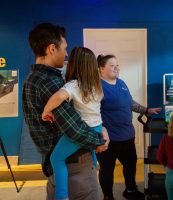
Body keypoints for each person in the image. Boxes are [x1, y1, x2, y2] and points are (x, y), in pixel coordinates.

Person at [23, 23, 105, 200]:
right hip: (74, 166)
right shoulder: (49, 83)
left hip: (59, 165)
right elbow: (74, 128)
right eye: (64, 48)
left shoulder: (33, 79)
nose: (66, 54)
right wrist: (100, 139)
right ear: (52, 48)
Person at [41, 47, 109, 200]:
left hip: (84, 129)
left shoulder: (74, 85)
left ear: (74, 64)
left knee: (56, 158)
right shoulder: (97, 85)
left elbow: (58, 97)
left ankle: (61, 195)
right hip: (97, 127)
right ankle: (93, 165)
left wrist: (46, 110)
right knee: (91, 152)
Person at [96, 54, 162, 200]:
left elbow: (130, 103)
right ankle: (108, 196)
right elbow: (92, 113)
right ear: (101, 68)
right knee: (107, 171)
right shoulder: (97, 87)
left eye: (117, 65)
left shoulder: (121, 83)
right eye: (112, 65)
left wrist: (146, 110)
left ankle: (130, 190)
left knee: (130, 166)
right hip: (108, 140)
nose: (116, 68)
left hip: (127, 136)